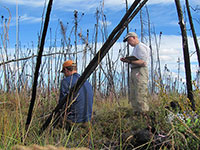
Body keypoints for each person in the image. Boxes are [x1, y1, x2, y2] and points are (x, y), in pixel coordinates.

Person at [58, 60, 93, 130]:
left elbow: (61, 104)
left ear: (66, 70)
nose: (64, 75)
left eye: (64, 72)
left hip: (73, 120)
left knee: (55, 122)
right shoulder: (87, 82)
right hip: (88, 120)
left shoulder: (66, 81)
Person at [120, 32, 150, 113]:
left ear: (134, 37)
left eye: (129, 40)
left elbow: (143, 62)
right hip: (135, 70)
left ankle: (144, 113)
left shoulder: (140, 47)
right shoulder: (136, 48)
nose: (128, 42)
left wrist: (128, 61)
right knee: (133, 92)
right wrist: (128, 61)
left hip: (140, 70)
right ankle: (136, 112)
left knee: (140, 91)